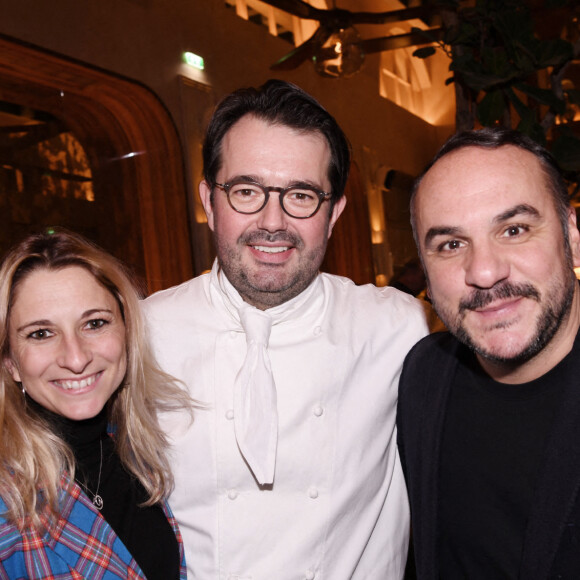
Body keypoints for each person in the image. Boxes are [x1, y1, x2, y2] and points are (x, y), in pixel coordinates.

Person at [142, 79, 428, 579]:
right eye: (247, 191)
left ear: (334, 212)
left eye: (301, 195)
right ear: (210, 201)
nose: (272, 221)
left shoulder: (398, 326)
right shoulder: (141, 334)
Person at [397, 127, 580, 579]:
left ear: (572, 235)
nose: (483, 271)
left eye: (514, 229)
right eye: (451, 245)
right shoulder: (423, 375)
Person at [0, 229, 192, 579]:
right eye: (41, 333)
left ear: (126, 332)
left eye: (94, 323)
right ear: (10, 361)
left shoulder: (135, 451)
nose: (75, 358)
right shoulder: (7, 498)